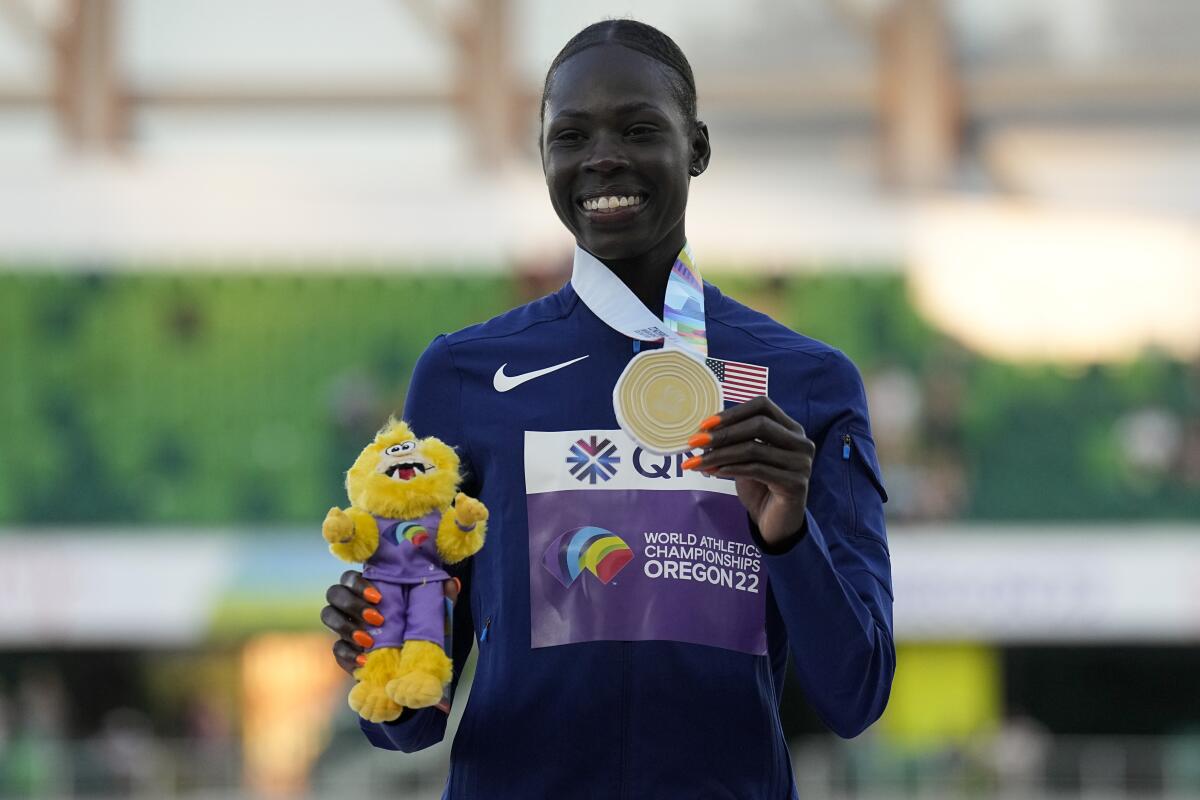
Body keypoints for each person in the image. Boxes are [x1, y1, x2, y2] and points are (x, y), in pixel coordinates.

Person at [320, 19, 894, 799]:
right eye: (572, 134)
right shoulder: (461, 375)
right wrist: (374, 646)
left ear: (697, 147)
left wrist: (789, 533)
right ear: (544, 156)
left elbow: (855, 695)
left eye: (638, 128)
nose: (603, 157)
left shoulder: (806, 381)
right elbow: (408, 722)